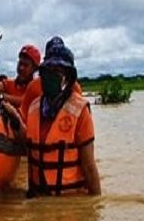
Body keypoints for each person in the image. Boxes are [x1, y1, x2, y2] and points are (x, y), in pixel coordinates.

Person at [11, 44, 101, 197]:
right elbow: (30, 147)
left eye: (57, 71)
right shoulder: (34, 108)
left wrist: (95, 210)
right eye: (47, 71)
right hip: (38, 201)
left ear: (67, 78)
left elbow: (89, 168)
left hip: (70, 205)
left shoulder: (80, 111)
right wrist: (15, 122)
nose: (49, 76)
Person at [20, 37, 82, 120]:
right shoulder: (33, 88)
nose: (52, 75)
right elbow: (23, 116)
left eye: (58, 70)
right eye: (49, 69)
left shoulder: (75, 90)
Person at [0, 44, 41, 108]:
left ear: (34, 69)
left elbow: (25, 102)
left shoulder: (36, 88)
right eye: (20, 63)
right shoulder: (10, 84)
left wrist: (0, 96)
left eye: (26, 65)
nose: (21, 68)